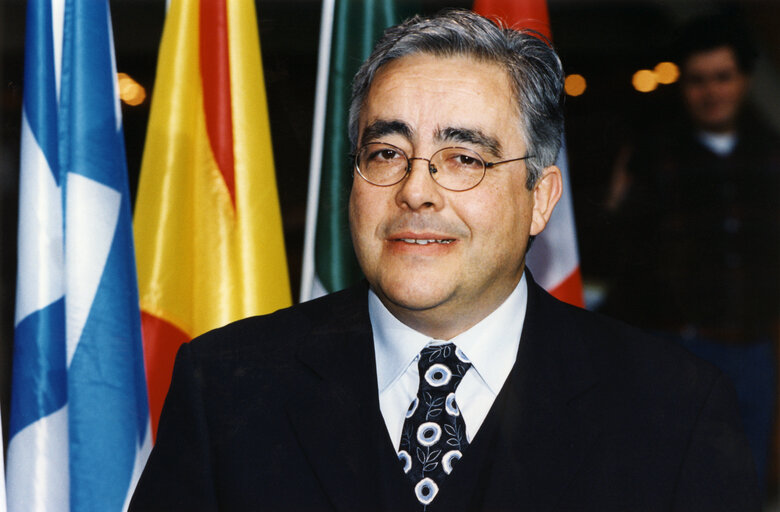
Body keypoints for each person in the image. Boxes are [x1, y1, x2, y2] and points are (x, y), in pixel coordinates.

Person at [130, 10, 759, 511]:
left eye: (465, 158)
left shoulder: (673, 408)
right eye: (385, 152)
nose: (415, 189)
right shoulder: (226, 385)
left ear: (539, 200)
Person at [603, 13, 778, 499]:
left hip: (751, 348)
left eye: (723, 77)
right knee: (672, 489)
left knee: (744, 487)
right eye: (698, 80)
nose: (712, 91)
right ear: (682, 85)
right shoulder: (653, 151)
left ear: (743, 79)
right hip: (675, 350)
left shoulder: (770, 153)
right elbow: (623, 249)